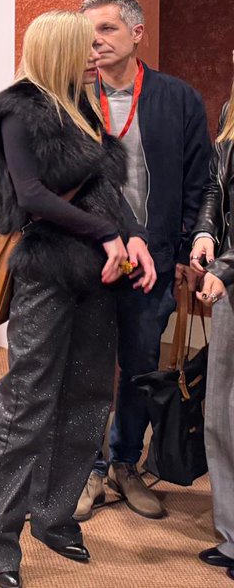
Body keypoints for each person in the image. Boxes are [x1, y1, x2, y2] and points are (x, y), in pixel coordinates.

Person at [0, 10, 155, 588]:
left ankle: (53, 518)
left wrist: (133, 239)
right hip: (47, 272)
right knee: (27, 401)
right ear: (59, 47)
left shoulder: (81, 105)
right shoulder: (17, 108)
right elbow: (29, 198)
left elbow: (107, 190)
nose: (96, 48)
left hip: (99, 279)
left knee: (88, 396)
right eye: (87, 41)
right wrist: (106, 234)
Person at [75, 0, 209, 521]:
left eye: (107, 29)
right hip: (91, 254)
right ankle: (87, 468)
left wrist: (181, 249)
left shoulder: (177, 98)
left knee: (139, 365)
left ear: (138, 35)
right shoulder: (75, 99)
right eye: (89, 33)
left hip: (152, 257)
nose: (97, 41)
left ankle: (126, 463)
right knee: (88, 366)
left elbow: (199, 180)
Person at [190, 50, 234, 576]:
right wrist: (205, 232)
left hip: (228, 274)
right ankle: (231, 536)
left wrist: (224, 264)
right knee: (222, 412)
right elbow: (214, 185)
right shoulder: (230, 110)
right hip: (226, 279)